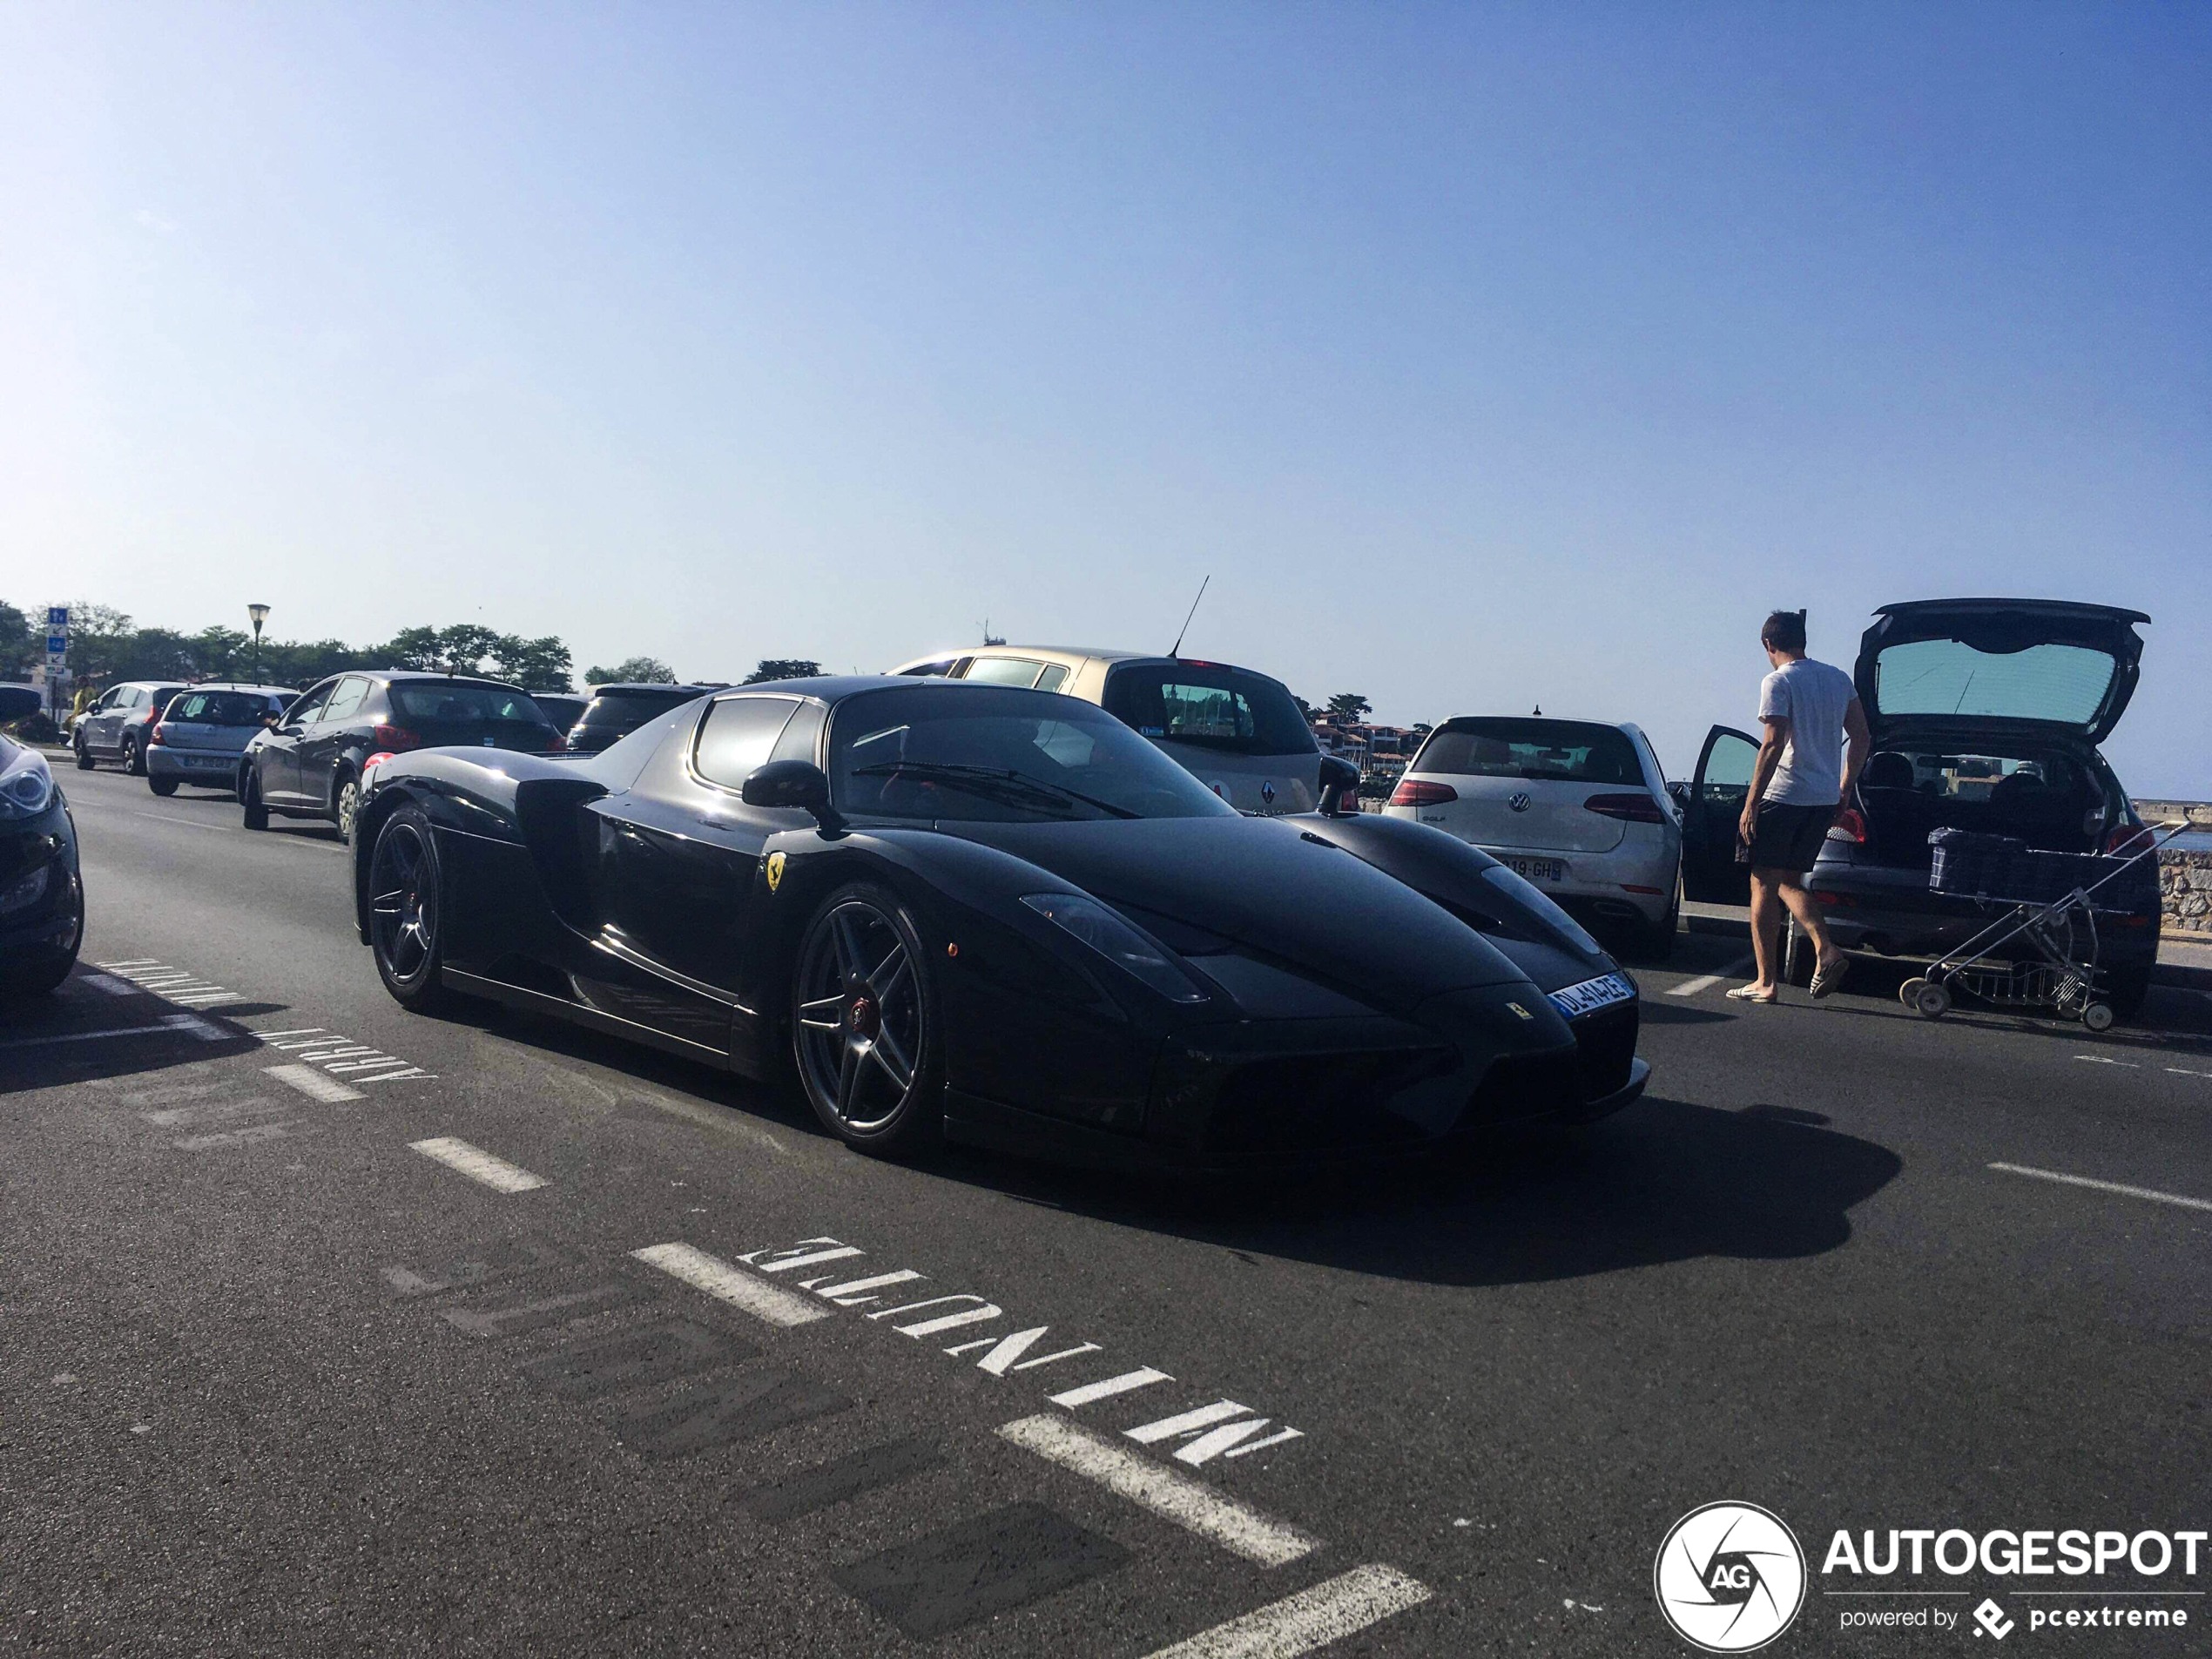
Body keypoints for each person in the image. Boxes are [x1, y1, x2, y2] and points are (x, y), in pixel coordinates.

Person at [1729, 610, 1871, 1004]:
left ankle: (1765, 982)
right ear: (1802, 640)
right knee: (1790, 880)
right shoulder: (1838, 679)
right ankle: (1825, 948)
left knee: (1762, 883)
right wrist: (1844, 789)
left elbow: (1773, 741)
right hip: (1822, 798)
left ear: (1768, 645)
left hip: (1784, 795)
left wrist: (1751, 802)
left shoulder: (1777, 681)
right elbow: (1861, 737)